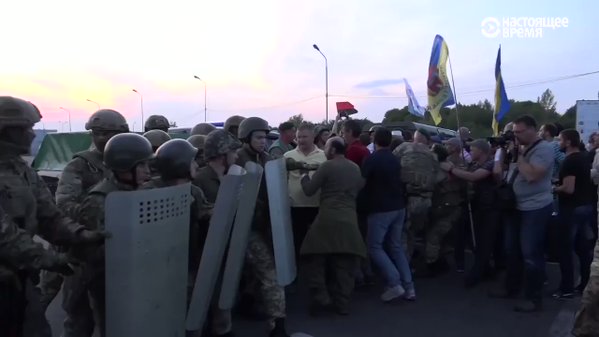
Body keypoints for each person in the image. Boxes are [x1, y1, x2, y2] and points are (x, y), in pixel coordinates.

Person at [0, 96, 107, 337]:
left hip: (18, 279)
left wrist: (81, 235)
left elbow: (49, 216)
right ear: (5, 131)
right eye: (25, 129)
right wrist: (48, 258)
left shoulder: (22, 170)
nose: (31, 135)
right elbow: (4, 235)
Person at [48, 109, 128, 336]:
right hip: (84, 252)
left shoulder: (127, 161)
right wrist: (95, 217)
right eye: (97, 133)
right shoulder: (80, 165)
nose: (101, 138)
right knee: (79, 319)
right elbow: (64, 204)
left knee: (113, 318)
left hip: (117, 252)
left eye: (108, 133)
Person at [75, 133, 155, 336]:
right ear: (124, 167)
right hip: (108, 282)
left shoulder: (137, 192)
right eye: (142, 165)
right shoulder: (100, 200)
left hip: (136, 277)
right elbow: (92, 253)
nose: (148, 171)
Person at [491, 115, 554, 313]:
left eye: (519, 132)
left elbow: (532, 175)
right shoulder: (518, 148)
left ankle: (534, 299)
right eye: (514, 132)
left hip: (534, 208)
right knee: (512, 251)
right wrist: (502, 154)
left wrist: (518, 155)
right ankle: (511, 288)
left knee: (531, 254)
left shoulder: (544, 149)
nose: (515, 136)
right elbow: (499, 173)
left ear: (532, 130)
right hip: (514, 207)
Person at [235, 117, 290, 337]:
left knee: (259, 272)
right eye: (258, 137)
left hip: (266, 223)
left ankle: (247, 302)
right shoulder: (237, 161)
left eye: (265, 137)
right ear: (246, 138)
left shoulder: (266, 159)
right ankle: (278, 325)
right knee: (270, 274)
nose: (263, 141)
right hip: (245, 227)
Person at [300, 136, 366, 315]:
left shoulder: (327, 166)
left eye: (327, 147)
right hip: (350, 220)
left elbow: (309, 190)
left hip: (327, 219)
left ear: (333, 150)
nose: (325, 150)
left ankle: (322, 298)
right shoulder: (355, 168)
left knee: (313, 258)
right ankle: (342, 303)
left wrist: (304, 176)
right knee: (345, 265)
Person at [362, 128, 415, 302]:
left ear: (374, 140)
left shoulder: (372, 159)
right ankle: (409, 287)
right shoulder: (395, 159)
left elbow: (362, 183)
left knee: (375, 247)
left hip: (380, 209)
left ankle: (394, 283)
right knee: (396, 246)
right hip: (399, 207)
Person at [441, 139, 499, 287]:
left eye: (473, 150)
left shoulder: (490, 164)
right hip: (476, 206)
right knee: (475, 240)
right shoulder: (473, 164)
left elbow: (473, 177)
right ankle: (487, 270)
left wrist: (451, 169)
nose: (470, 152)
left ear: (481, 151)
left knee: (484, 242)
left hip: (489, 208)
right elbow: (465, 175)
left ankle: (477, 273)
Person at [553, 129, 594, 299]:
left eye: (560, 140)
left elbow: (569, 188)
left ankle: (566, 288)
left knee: (565, 249)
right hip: (585, 206)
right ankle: (584, 284)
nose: (558, 143)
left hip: (571, 209)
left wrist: (554, 188)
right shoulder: (583, 158)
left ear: (568, 142)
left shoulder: (570, 161)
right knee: (583, 249)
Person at [283, 123, 326, 262]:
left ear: (313, 137)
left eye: (304, 137)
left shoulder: (324, 156)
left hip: (317, 206)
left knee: (318, 243)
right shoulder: (288, 156)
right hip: (295, 206)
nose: (301, 140)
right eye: (299, 137)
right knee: (298, 241)